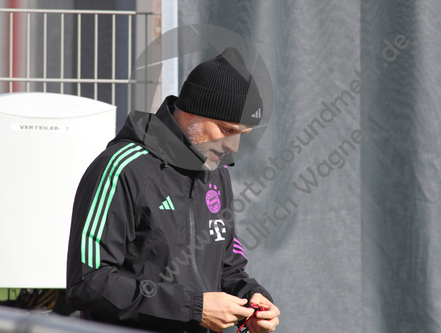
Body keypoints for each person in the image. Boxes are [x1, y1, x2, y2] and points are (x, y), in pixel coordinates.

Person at [66, 47, 280, 333]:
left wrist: (254, 299)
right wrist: (193, 308)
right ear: (192, 112)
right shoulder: (122, 168)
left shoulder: (218, 173)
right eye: (226, 130)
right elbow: (88, 281)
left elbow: (226, 266)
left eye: (242, 135)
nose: (233, 147)